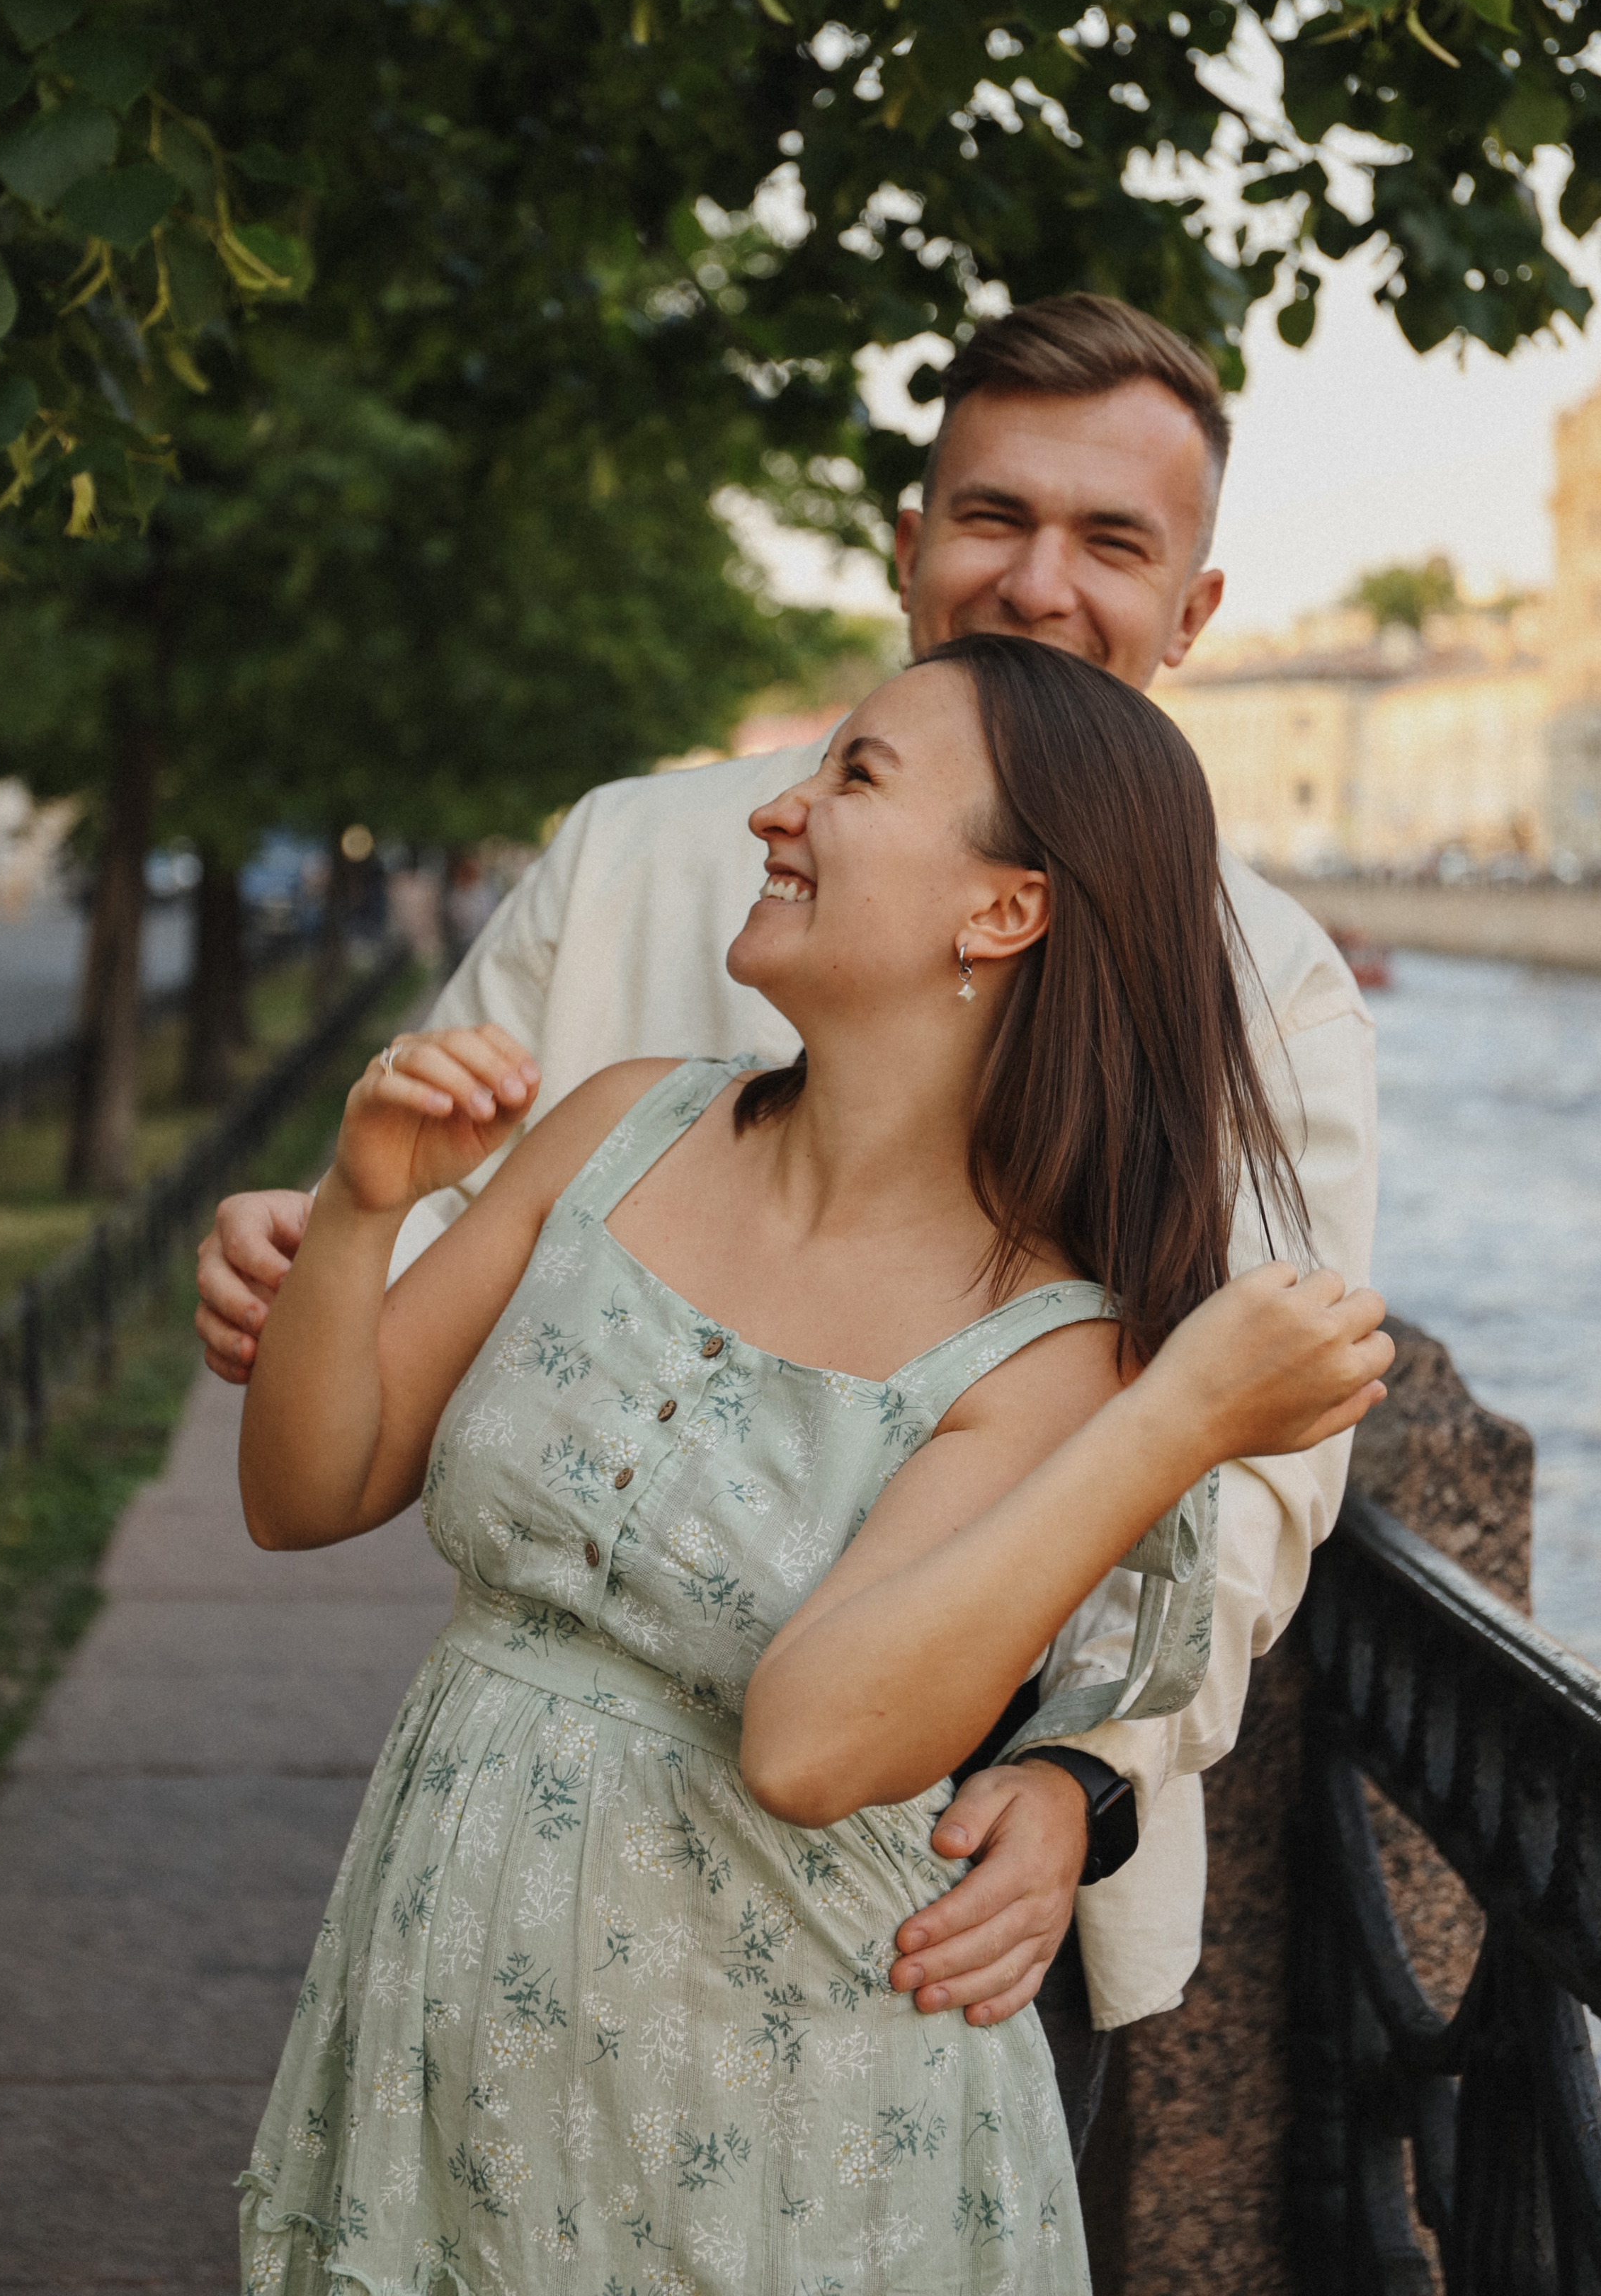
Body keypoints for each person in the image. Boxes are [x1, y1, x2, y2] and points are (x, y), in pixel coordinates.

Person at [198, 295, 1377, 2143]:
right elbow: (395, 1280)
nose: (1041, 581)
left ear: (1196, 611)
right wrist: (313, 1245)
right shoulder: (638, 859)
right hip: (525, 1870)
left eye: (1114, 540)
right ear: (907, 547)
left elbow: (1249, 1466)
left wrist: (1088, 1769)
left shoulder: (1272, 982)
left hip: (955, 1873)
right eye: (994, 516)